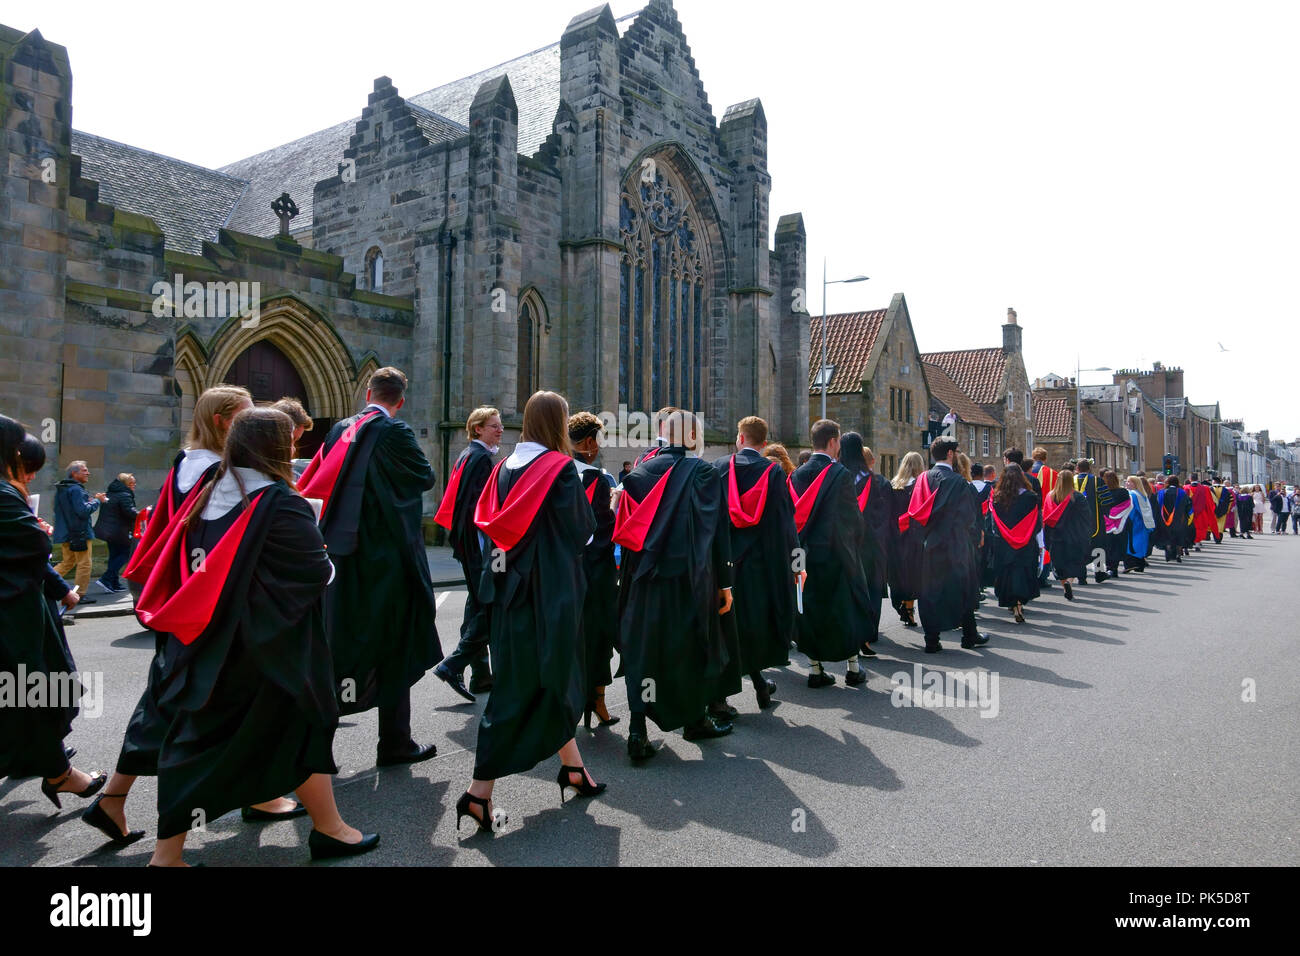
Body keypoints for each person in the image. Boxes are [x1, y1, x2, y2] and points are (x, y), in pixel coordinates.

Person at [137, 408, 378, 865]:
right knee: (302, 722)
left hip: (210, 644)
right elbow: (315, 573)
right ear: (276, 446)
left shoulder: (207, 494)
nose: (294, 449)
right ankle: (325, 830)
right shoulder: (280, 501)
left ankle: (325, 827)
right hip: (273, 647)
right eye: (289, 441)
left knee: (203, 739)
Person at [85, 385, 261, 847]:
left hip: (179, 600)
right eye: (247, 415)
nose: (253, 422)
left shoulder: (187, 462)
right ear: (224, 421)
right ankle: (167, 840)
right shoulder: (217, 473)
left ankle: (114, 798)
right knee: (193, 707)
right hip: (202, 605)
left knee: (164, 700)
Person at [458, 391, 604, 832]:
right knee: (529, 687)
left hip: (510, 593)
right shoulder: (560, 470)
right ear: (558, 424)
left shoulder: (502, 467)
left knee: (541, 680)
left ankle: (573, 769)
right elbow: (583, 531)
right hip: (550, 596)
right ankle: (478, 792)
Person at [298, 366, 441, 767]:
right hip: (384, 558)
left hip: (340, 555)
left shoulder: (341, 429)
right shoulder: (394, 431)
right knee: (394, 642)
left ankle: (316, 750)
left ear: (367, 393)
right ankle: (394, 741)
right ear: (400, 399)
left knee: (338, 643)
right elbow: (425, 477)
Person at [0, 416, 107, 813]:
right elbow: (27, 548)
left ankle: (43, 762)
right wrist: (37, 533)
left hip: (17, 609)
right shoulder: (4, 494)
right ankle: (60, 774)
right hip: (15, 617)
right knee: (35, 689)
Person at [615, 410, 736, 759]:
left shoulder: (638, 473)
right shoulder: (703, 472)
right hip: (689, 580)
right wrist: (725, 583)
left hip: (642, 579)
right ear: (693, 436)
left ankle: (637, 730)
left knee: (644, 651)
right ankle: (695, 720)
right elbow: (717, 532)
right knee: (690, 647)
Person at [714, 416, 799, 706]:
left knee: (726, 626)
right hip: (759, 565)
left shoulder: (718, 468)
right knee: (751, 625)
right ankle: (761, 685)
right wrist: (795, 563)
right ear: (764, 443)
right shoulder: (773, 473)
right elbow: (785, 523)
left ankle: (724, 697)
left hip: (724, 562)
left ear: (740, 437)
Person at [787, 420, 873, 685]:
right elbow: (852, 518)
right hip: (836, 552)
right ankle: (853, 667)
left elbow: (791, 517)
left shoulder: (796, 475)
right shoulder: (840, 474)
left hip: (802, 553)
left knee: (808, 608)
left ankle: (815, 670)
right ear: (834, 442)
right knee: (843, 608)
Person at [432, 406, 502, 701]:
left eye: (499, 425)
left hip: (465, 544)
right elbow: (482, 509)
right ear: (478, 429)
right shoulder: (482, 459)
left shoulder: (467, 455)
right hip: (479, 546)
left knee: (476, 604)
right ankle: (454, 665)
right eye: (494, 426)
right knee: (488, 607)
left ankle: (481, 676)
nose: (500, 430)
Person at [901, 438, 987, 653]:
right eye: (957, 451)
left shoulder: (922, 479)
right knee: (964, 589)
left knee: (929, 591)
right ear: (950, 453)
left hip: (926, 545)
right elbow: (968, 518)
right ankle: (969, 635)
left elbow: (914, 513)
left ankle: (931, 639)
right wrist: (974, 541)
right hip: (954, 545)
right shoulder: (958, 482)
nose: (957, 455)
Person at [568, 411, 620, 727]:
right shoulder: (601, 482)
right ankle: (597, 701)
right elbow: (606, 534)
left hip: (564, 574)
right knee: (598, 639)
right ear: (589, 442)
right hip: (596, 575)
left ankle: (570, 704)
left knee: (570, 640)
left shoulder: (555, 475)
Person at [839, 434, 892, 658]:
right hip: (869, 545)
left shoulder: (836, 477)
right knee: (870, 590)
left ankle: (846, 634)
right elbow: (883, 518)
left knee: (847, 590)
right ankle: (867, 636)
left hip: (843, 543)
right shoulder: (876, 481)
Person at [988, 463, 1041, 623]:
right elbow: (1037, 523)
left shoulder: (997, 498)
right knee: (1022, 572)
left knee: (1008, 573)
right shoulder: (1031, 498)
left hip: (1004, 543)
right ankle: (1019, 603)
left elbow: (993, 524)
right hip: (1026, 543)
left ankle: (1013, 603)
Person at [51, 460, 106, 601]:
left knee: (68, 562)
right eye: (84, 470)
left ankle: (42, 580)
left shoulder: (63, 488)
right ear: (74, 473)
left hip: (66, 532)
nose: (88, 472)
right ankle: (80, 594)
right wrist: (98, 501)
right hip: (79, 533)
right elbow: (83, 511)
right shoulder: (76, 489)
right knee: (85, 564)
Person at [889, 451, 926, 627]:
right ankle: (909, 609)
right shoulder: (921, 487)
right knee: (913, 575)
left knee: (899, 574)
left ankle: (904, 606)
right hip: (916, 537)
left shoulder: (893, 486)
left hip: (897, 537)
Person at [1042, 469, 1090, 600]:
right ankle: (1069, 582)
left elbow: (1046, 519)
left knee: (1060, 565)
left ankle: (1065, 586)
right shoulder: (1078, 497)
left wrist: (1046, 540)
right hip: (1074, 537)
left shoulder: (1050, 496)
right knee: (1074, 562)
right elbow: (1086, 517)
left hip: (1055, 537)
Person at [93, 472, 138, 593]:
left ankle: (113, 582)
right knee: (126, 553)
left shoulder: (112, 492)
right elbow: (129, 511)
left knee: (114, 555)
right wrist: (144, 513)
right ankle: (106, 579)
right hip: (119, 531)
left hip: (109, 532)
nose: (134, 485)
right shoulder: (124, 495)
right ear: (126, 484)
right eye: (131, 483)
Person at [1073, 458, 1111, 583]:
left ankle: (1081, 577)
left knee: (1078, 549)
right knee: (1098, 548)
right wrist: (1105, 513)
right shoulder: (1097, 481)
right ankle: (1099, 574)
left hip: (1075, 523)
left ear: (1077, 469)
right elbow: (1106, 502)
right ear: (1089, 469)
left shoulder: (1070, 481)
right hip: (1095, 521)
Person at [1029, 447, 1059, 588]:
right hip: (1046, 513)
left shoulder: (1027, 472)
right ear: (1045, 458)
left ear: (1033, 457)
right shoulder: (1052, 473)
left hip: (1028, 513)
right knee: (1045, 545)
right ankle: (1043, 575)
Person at [1100, 470, 1132, 578]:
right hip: (1120, 522)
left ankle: (1109, 568)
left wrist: (1108, 515)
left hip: (1106, 522)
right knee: (1118, 545)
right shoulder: (1123, 492)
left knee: (1108, 545)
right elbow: (1128, 505)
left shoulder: (1102, 492)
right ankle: (1114, 568)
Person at [1154, 476, 1190, 562]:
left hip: (1164, 520)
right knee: (1178, 537)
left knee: (1167, 537)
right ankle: (1178, 553)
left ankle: (1168, 551)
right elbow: (1187, 506)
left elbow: (1157, 506)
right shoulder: (1182, 493)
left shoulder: (1161, 493)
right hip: (1179, 520)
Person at [1123, 475, 1154, 572]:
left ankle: (1130, 564)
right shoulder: (1142, 494)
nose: (1127, 483)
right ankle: (1140, 565)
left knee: (1130, 544)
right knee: (1139, 544)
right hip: (1142, 523)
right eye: (1127, 481)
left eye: (1129, 482)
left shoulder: (1132, 495)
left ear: (1135, 484)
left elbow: (1130, 510)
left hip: (1134, 523)